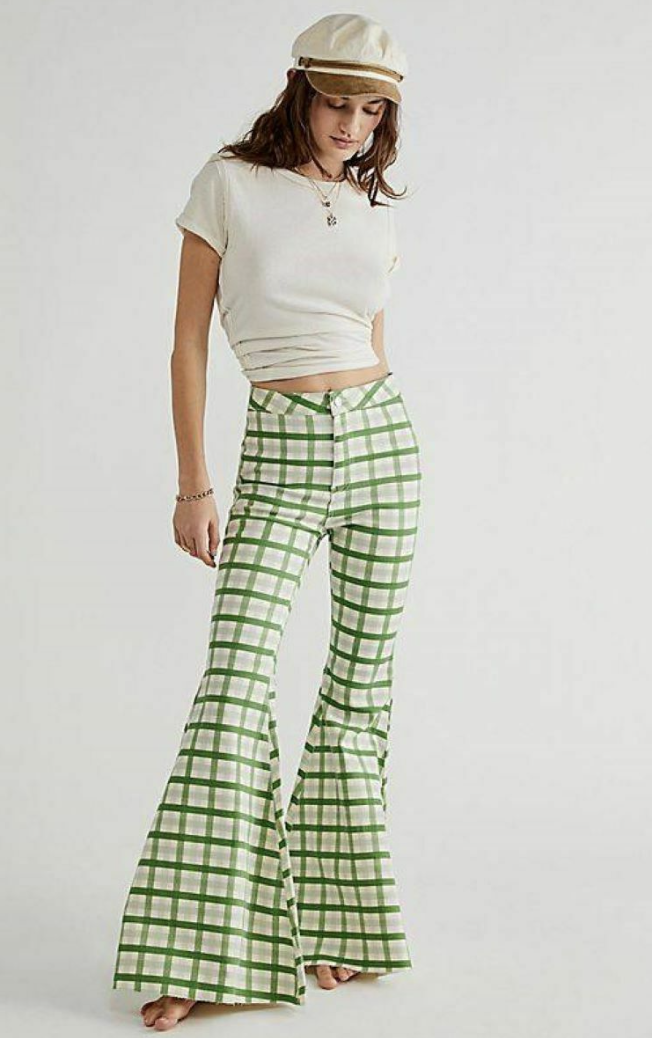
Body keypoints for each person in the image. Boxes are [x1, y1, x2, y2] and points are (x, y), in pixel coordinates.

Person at [111, 13, 422, 1031]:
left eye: (371, 109)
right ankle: (203, 951)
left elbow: (368, 337)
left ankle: (338, 923)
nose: (352, 124)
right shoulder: (229, 183)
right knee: (236, 687)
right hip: (279, 451)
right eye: (336, 101)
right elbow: (188, 344)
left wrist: (371, 423)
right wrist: (194, 483)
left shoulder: (371, 206)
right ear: (299, 91)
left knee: (359, 691)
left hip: (382, 446)